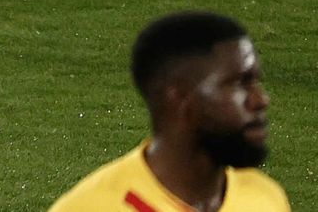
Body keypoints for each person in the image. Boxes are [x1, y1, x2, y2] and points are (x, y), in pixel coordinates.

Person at [48, 12, 288, 212]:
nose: (260, 100)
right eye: (239, 83)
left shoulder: (265, 198)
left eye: (256, 82)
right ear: (179, 97)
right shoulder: (94, 206)